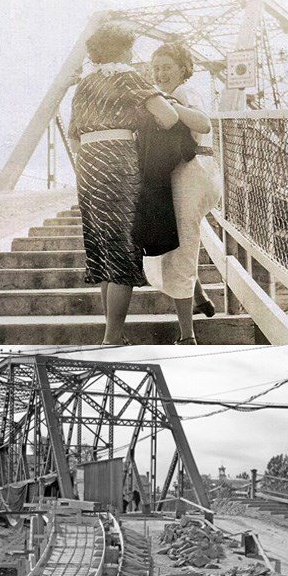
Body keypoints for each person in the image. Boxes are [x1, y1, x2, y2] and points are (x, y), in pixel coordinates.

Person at [69, 23, 179, 345]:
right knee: (122, 245)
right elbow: (169, 117)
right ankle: (112, 338)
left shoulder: (85, 84)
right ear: (124, 49)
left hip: (88, 161)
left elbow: (74, 137)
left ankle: (112, 333)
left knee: (103, 247)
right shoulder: (129, 77)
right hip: (117, 159)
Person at [141, 40, 221, 344]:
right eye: (156, 68)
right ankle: (200, 296)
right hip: (197, 171)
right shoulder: (177, 93)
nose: (160, 73)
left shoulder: (183, 94)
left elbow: (203, 122)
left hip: (192, 173)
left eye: (167, 67)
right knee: (182, 240)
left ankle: (187, 335)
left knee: (181, 248)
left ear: (182, 69)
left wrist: (173, 106)